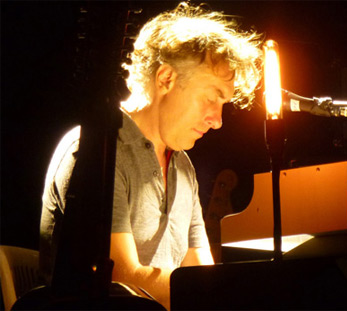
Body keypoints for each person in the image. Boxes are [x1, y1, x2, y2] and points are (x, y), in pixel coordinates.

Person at [39, 3, 262, 309]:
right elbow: (123, 282)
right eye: (211, 98)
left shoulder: (183, 168)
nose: (218, 119)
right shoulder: (94, 151)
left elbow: (201, 274)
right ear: (166, 78)